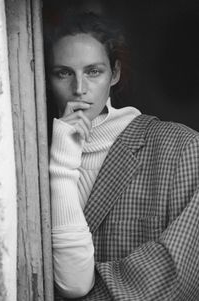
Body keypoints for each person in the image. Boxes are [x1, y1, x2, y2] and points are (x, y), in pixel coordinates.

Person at [45, 12, 199, 300]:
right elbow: (74, 283)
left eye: (93, 71)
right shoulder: (32, 159)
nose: (79, 89)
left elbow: (176, 277)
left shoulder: (183, 150)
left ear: (114, 74)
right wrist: (62, 162)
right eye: (63, 73)